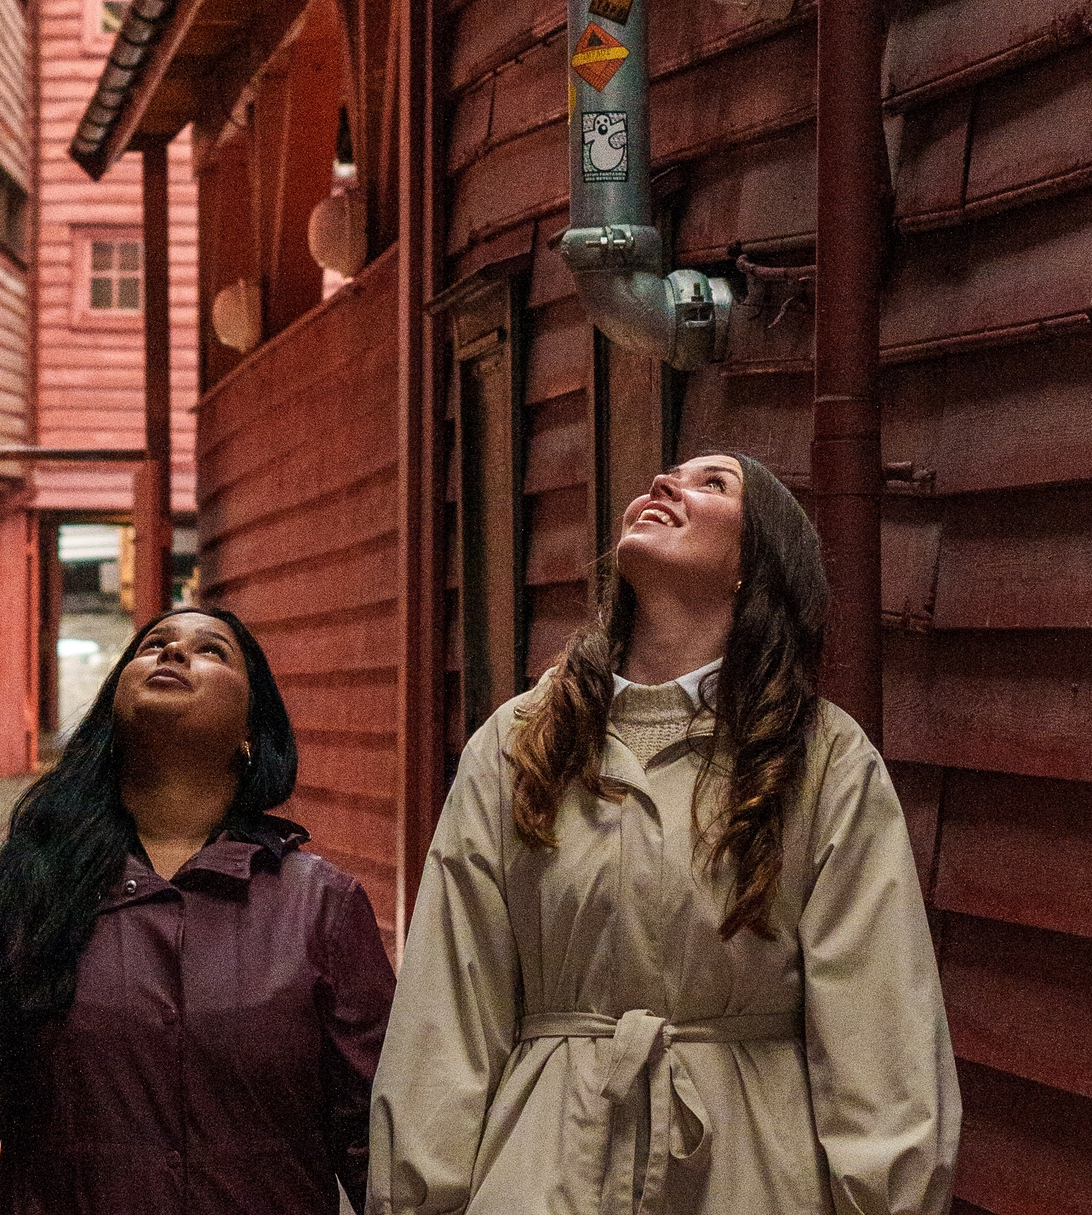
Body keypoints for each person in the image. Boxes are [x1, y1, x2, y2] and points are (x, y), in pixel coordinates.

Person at [370, 453, 958, 1215]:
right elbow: (446, 1009)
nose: (663, 486)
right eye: (667, 475)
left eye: (714, 484)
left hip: (748, 1175)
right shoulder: (521, 745)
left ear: (756, 565)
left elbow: (881, 1038)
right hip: (541, 1169)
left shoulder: (820, 761)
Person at [0, 603, 394, 1215]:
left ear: (252, 733)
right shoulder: (25, 894)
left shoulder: (320, 909)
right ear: (112, 717)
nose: (172, 653)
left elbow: (379, 1144)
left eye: (211, 650)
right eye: (153, 645)